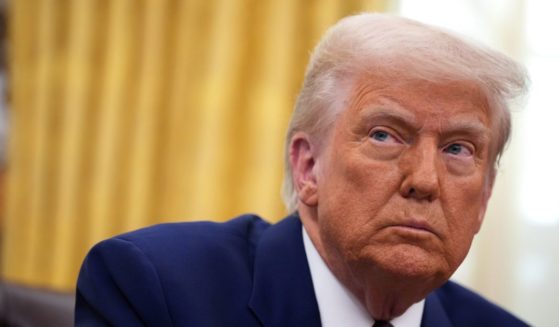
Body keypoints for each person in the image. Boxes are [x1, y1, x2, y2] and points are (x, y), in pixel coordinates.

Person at [75, 13, 530, 326]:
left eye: (458, 149)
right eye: (384, 135)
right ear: (308, 167)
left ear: (485, 197)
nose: (425, 181)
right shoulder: (159, 290)